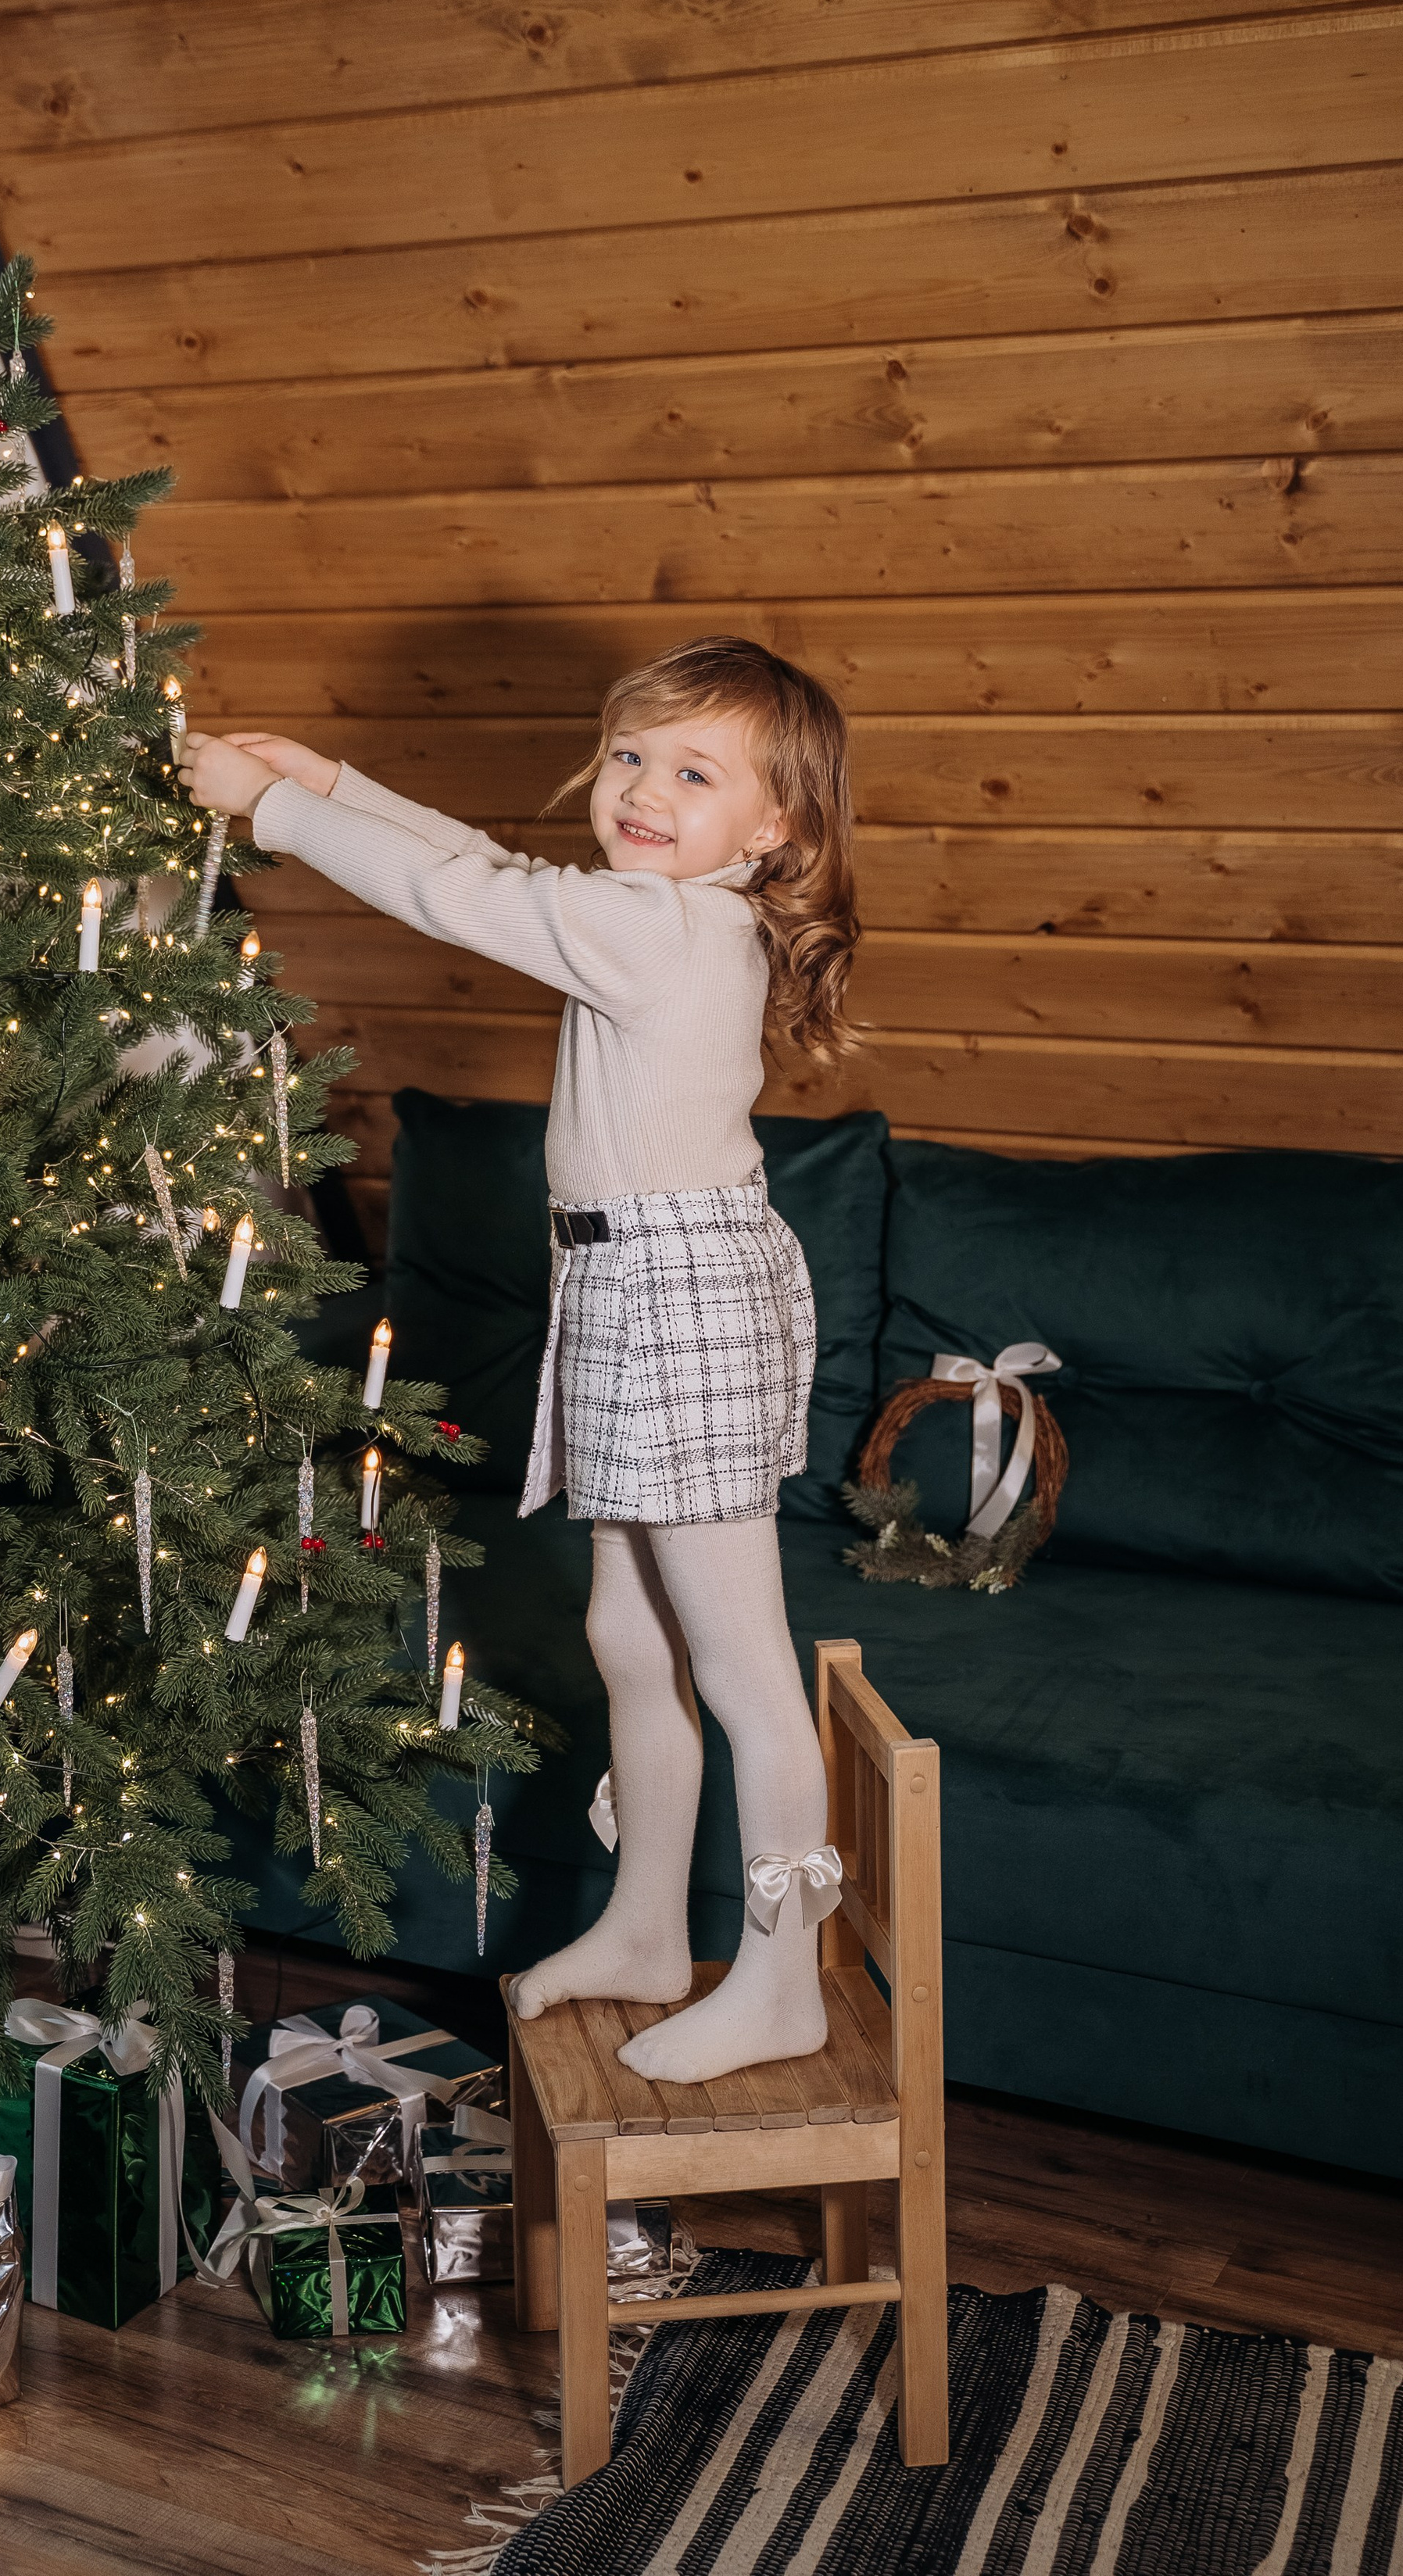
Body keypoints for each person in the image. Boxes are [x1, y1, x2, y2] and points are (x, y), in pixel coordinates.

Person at [177, 636, 860, 2084]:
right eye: (630, 755)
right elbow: (498, 870)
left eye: (694, 773)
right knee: (632, 1639)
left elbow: (466, 898)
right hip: (620, 1287)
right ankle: (647, 1933)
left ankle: (784, 1980)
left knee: (743, 1669)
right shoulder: (644, 911)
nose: (644, 789)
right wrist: (337, 781)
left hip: (680, 1295)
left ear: (775, 827)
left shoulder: (668, 932)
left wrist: (276, 811)